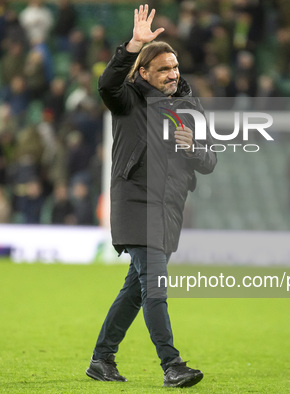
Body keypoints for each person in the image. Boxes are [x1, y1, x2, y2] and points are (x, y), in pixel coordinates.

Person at [86, 5, 216, 388]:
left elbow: (209, 162)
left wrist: (193, 148)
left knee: (134, 293)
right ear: (144, 73)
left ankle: (101, 359)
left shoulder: (190, 109)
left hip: (169, 211)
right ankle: (172, 365)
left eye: (175, 68)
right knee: (155, 290)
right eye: (164, 69)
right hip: (137, 208)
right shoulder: (128, 101)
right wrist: (131, 46)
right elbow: (107, 84)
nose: (173, 75)